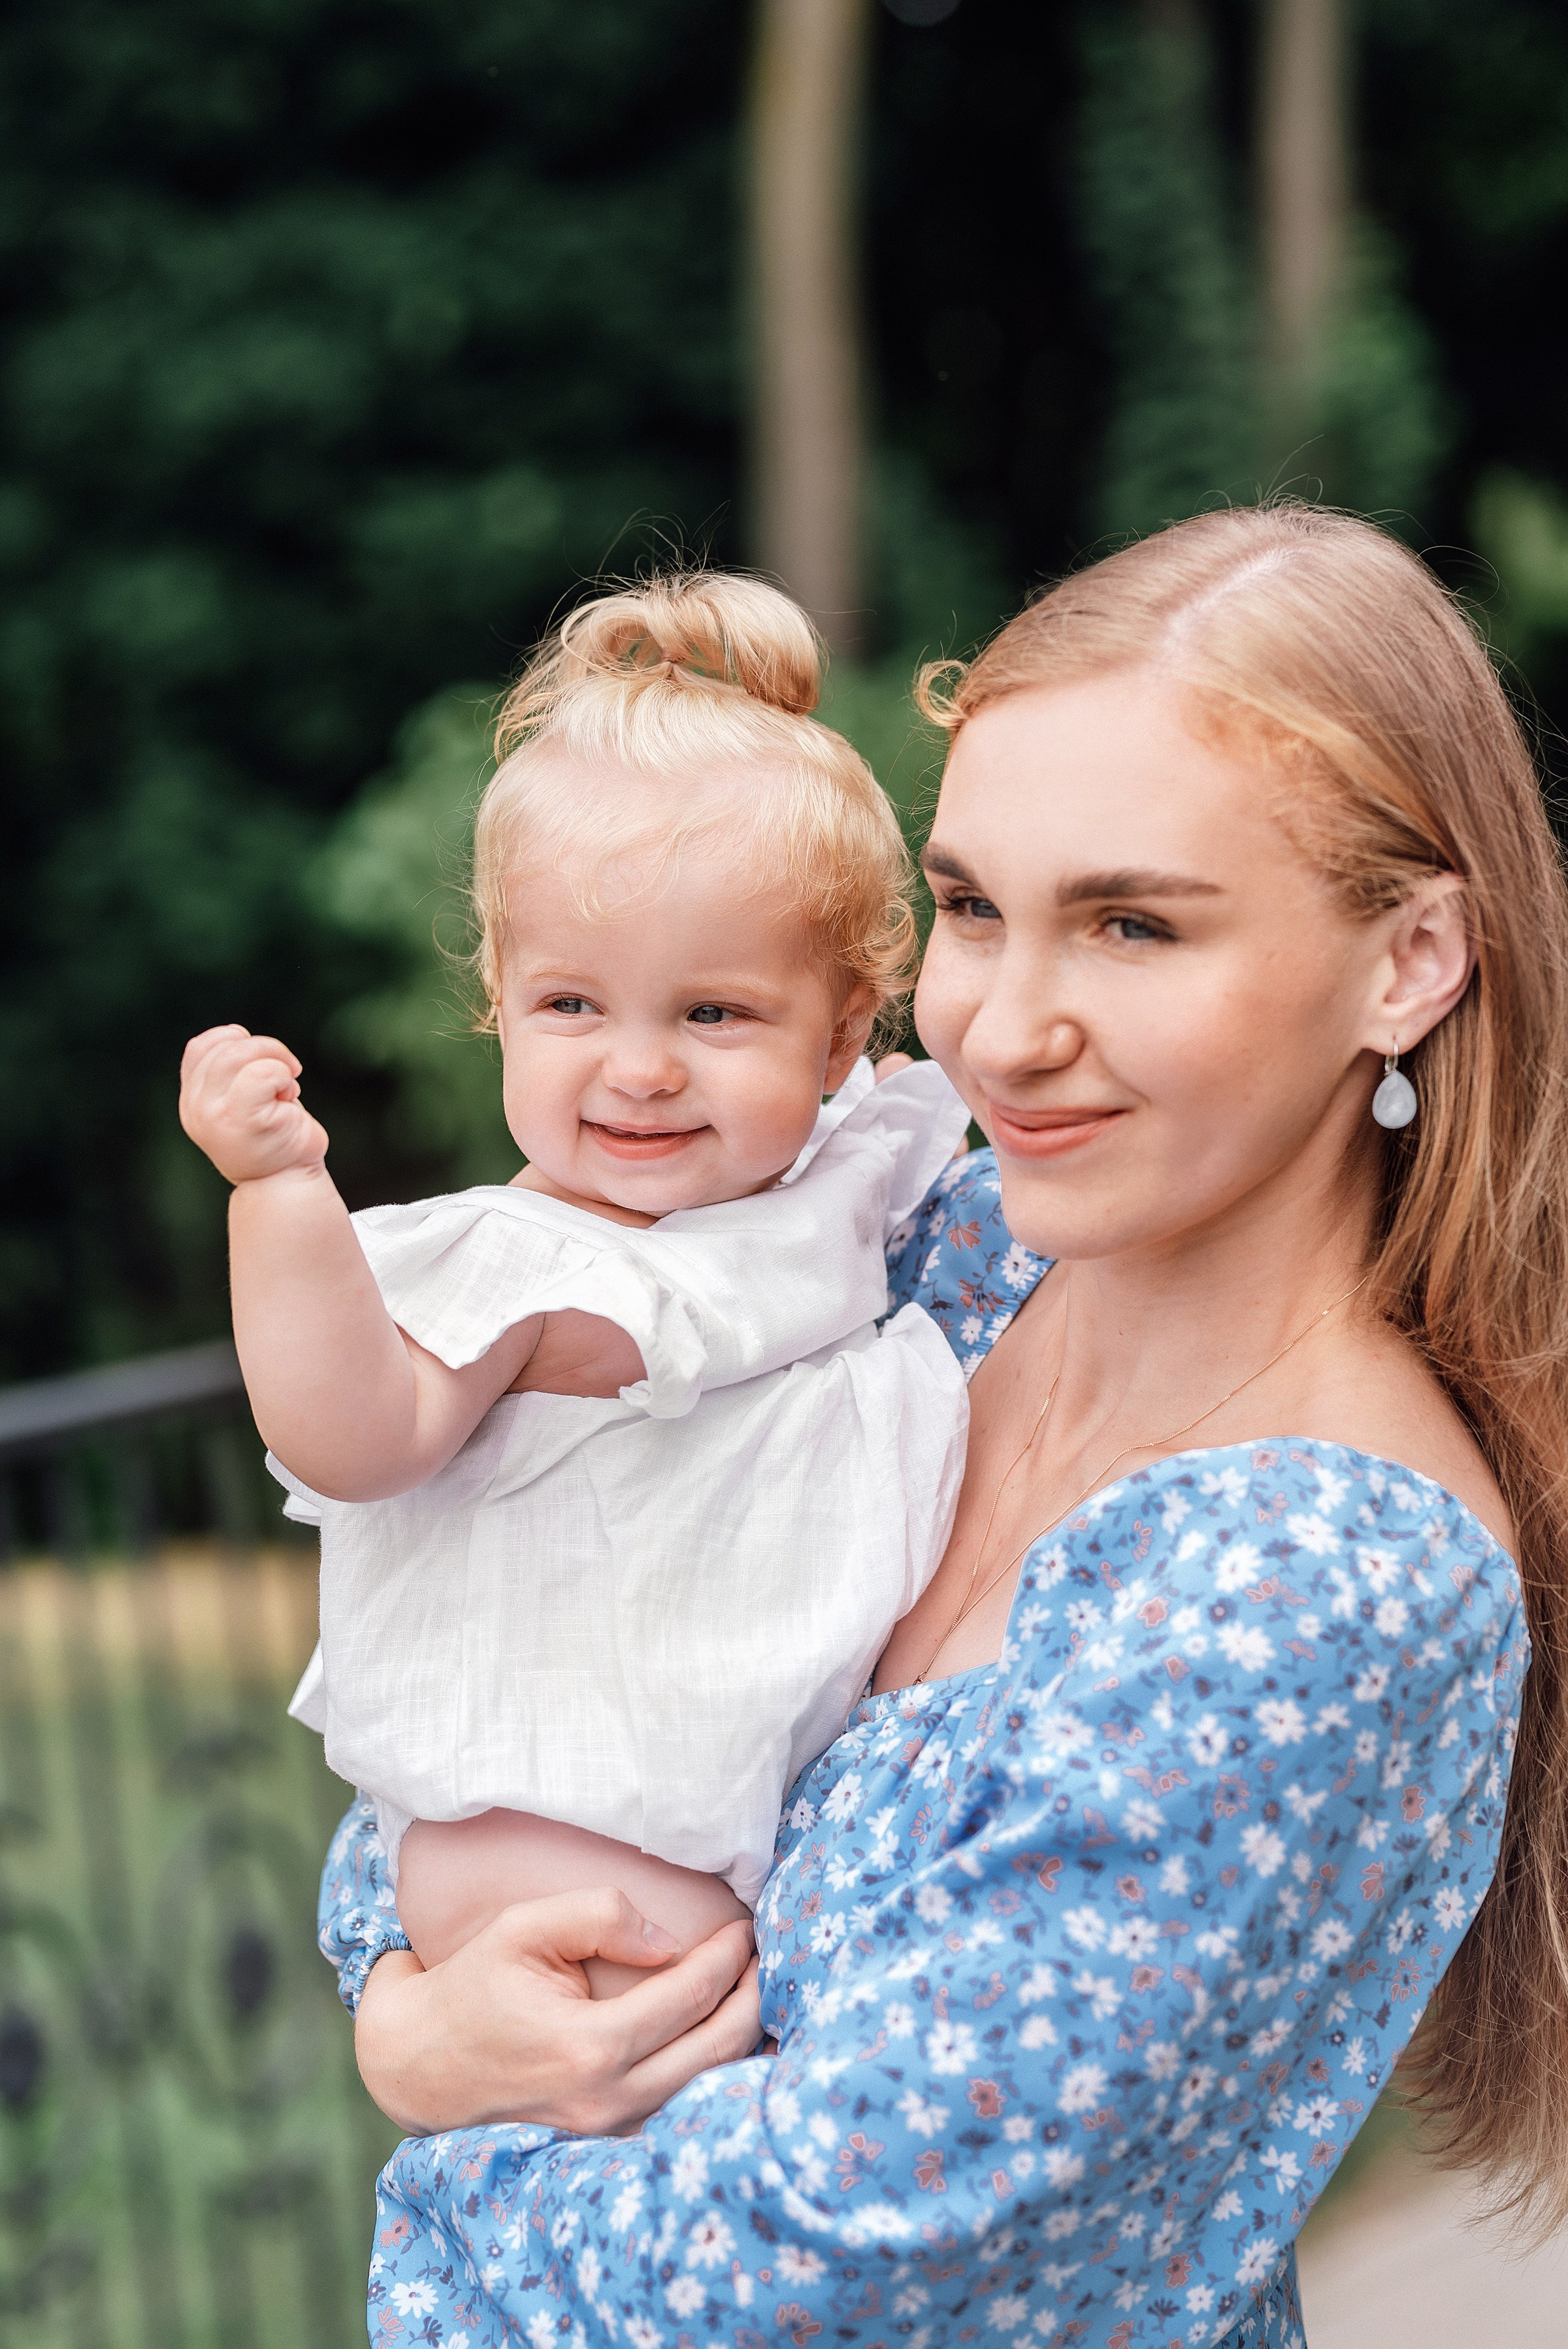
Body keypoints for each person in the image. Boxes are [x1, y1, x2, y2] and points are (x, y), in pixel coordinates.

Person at [321, 504, 1568, 2349]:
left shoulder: (1320, 1581)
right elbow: (487, 1636)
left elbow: (825, 2270)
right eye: (975, 908)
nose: (1002, 1028)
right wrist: (405, 2012)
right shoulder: (935, 1257)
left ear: (1411, 961)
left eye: (1132, 923)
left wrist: (456, 2148)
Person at [177, 571, 972, 1996]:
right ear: (501, 999)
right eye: (571, 1004)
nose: (641, 1066)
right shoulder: (527, 1267)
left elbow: (878, 1127)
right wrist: (281, 1195)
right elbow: (353, 1435)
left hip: (733, 1841)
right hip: (555, 1845)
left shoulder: (819, 1182)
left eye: (714, 1011)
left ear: (843, 1033)